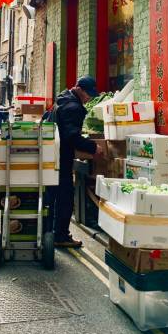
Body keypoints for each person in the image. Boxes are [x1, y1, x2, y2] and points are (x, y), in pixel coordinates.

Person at [49, 75, 104, 248]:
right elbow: (71, 136)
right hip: (61, 158)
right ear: (79, 88)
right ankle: (61, 236)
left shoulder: (63, 99)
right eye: (87, 93)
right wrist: (93, 148)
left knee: (55, 196)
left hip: (53, 156)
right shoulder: (73, 107)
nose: (88, 97)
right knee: (65, 197)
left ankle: (52, 232)